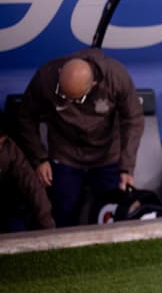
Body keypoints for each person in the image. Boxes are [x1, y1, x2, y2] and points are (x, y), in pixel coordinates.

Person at [17, 49, 144, 227]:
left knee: (108, 211)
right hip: (65, 152)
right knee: (63, 210)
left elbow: (133, 118)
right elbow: (26, 117)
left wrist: (127, 166)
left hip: (106, 153)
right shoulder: (46, 76)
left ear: (92, 85)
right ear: (60, 73)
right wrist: (39, 158)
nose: (65, 101)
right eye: (62, 94)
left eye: (74, 99)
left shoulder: (116, 76)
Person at [0, 127, 55, 232]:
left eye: (1, 144)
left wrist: (49, 226)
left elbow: (32, 185)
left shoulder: (9, 148)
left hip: (5, 208)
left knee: (17, 227)